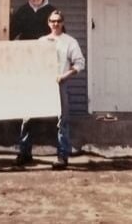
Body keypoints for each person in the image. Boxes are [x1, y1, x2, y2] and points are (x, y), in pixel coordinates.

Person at [17, 9, 85, 170]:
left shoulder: (70, 42)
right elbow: (32, 62)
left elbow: (80, 63)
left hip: (59, 83)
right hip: (40, 84)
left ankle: (62, 156)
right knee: (28, 117)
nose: (55, 24)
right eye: (53, 21)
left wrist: (65, 75)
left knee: (62, 120)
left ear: (63, 23)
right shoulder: (41, 41)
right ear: (48, 23)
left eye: (58, 21)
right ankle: (24, 153)